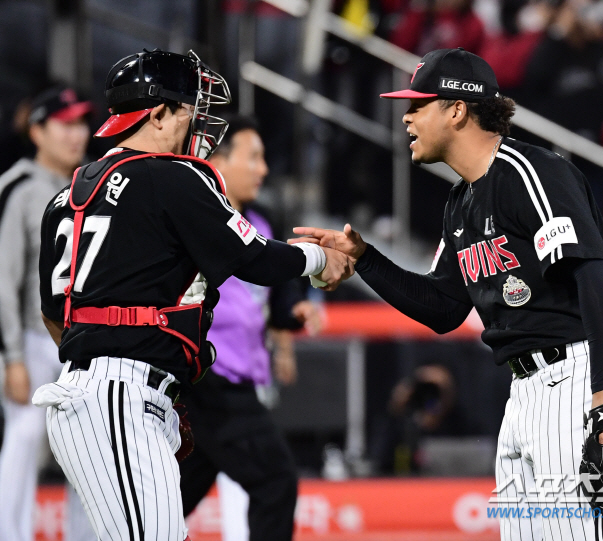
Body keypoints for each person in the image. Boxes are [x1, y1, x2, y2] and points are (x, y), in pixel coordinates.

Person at [293, 48, 603, 540]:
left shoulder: (531, 173)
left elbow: (596, 273)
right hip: (527, 387)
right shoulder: (460, 202)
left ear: (457, 109)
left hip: (579, 372)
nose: (406, 116)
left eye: (418, 104)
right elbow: (443, 308)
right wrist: (367, 261)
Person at [33, 49, 352, 541]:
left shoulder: (67, 195)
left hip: (100, 395)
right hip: (120, 397)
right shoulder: (172, 176)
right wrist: (319, 259)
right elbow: (257, 259)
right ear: (156, 114)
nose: (196, 122)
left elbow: (56, 316)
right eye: (187, 109)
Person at [178, 116, 322, 541]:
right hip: (207, 381)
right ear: (217, 160)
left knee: (169, 499)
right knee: (275, 482)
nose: (263, 169)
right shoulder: (191, 218)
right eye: (253, 157)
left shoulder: (261, 223)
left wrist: (295, 313)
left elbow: (278, 302)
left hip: (236, 379)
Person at [0, 85, 94, 541]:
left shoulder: (89, 188)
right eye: (66, 123)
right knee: (23, 440)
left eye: (82, 123)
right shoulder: (17, 187)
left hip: (84, 343)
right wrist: (10, 357)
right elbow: (2, 278)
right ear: (37, 130)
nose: (78, 134)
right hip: (34, 343)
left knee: (88, 454)